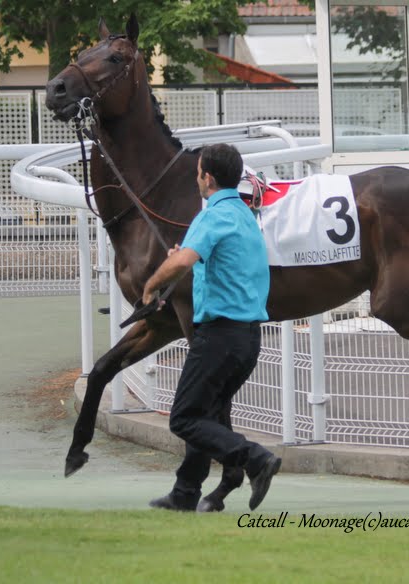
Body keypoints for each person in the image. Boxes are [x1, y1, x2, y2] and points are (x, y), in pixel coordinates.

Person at [142, 143, 281, 512]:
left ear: (209, 177)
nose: (196, 179)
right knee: (203, 414)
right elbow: (205, 262)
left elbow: (185, 259)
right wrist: (184, 261)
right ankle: (186, 493)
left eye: (198, 172)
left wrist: (152, 285)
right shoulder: (244, 215)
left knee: (184, 417)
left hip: (219, 336)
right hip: (248, 340)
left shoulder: (211, 214)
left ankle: (254, 458)